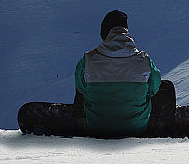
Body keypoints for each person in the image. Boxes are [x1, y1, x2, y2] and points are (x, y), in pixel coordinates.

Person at [74, 10, 175, 138]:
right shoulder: (144, 59)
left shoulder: (88, 60)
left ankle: (80, 125)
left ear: (104, 32)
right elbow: (154, 88)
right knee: (166, 87)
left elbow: (81, 87)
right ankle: (162, 134)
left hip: (97, 128)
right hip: (136, 128)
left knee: (83, 86)